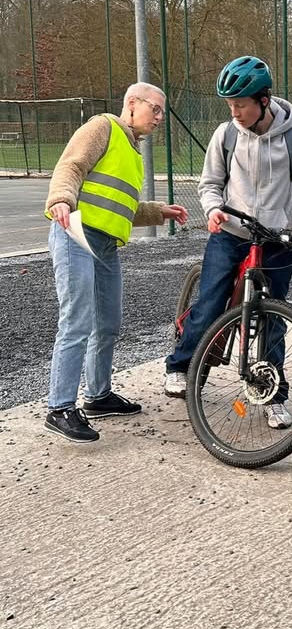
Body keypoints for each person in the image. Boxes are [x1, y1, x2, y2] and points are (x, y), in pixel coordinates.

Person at [164, 56, 292, 429]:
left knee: (273, 317)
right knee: (209, 305)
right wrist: (213, 210)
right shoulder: (227, 135)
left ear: (263, 100)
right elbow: (209, 183)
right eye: (230, 105)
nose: (234, 111)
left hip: (276, 240)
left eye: (241, 104)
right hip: (231, 234)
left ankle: (273, 395)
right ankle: (181, 367)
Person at [44, 82, 188, 444]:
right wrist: (61, 198)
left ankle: (97, 396)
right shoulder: (103, 127)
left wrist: (159, 212)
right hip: (75, 233)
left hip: (105, 244)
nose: (159, 117)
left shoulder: (132, 154)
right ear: (131, 103)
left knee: (108, 322)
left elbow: (122, 208)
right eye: (154, 109)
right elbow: (71, 166)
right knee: (77, 319)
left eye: (160, 112)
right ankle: (60, 407)